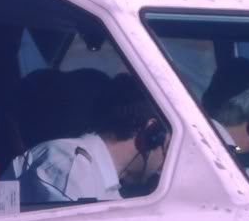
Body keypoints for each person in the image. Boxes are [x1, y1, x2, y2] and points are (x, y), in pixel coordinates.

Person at [9, 73, 168, 204]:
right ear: (150, 133)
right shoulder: (71, 169)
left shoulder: (105, 187)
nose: (166, 164)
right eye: (167, 149)